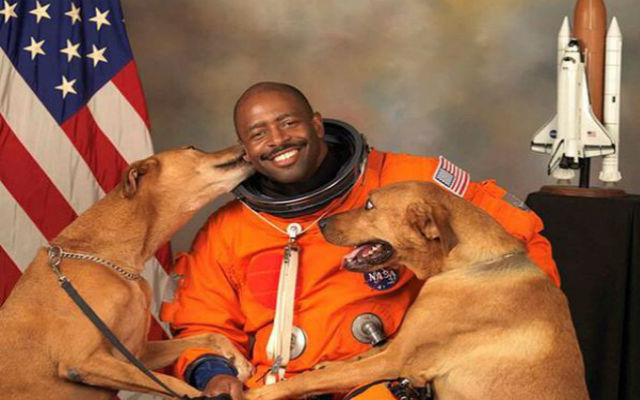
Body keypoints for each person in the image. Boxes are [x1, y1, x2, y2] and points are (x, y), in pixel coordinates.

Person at [160, 82, 560, 400]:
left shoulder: (410, 184)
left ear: (316, 125)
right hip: (269, 387)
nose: (278, 140)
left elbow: (518, 239)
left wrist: (503, 344)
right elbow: (201, 322)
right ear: (245, 150)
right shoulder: (227, 229)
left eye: (288, 123)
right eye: (258, 133)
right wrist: (213, 373)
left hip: (386, 382)